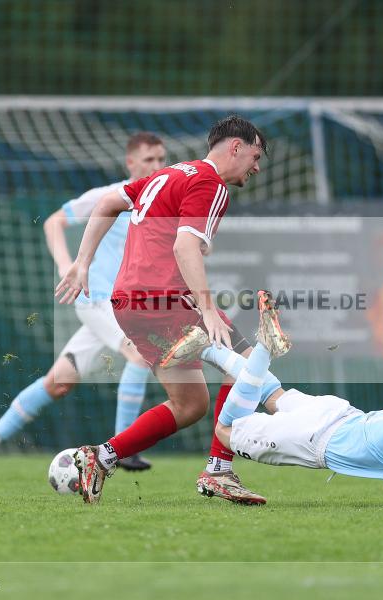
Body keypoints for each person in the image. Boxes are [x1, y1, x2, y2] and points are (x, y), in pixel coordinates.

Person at [55, 115, 273, 505]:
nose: (256, 167)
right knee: (248, 365)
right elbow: (184, 247)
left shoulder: (170, 173)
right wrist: (207, 309)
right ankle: (219, 470)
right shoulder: (210, 183)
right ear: (236, 147)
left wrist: (82, 262)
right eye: (256, 156)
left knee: (190, 405)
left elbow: (108, 203)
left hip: (129, 303)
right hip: (165, 300)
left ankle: (100, 457)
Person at [170, 291, 383, 509]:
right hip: (312, 439)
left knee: (272, 395)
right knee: (225, 431)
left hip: (336, 413)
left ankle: (209, 349)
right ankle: (262, 346)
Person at [0, 132, 167, 481]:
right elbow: (53, 221)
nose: (157, 166)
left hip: (121, 307)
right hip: (97, 299)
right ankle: (125, 447)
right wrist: (65, 266)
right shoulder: (110, 196)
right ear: (130, 163)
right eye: (149, 160)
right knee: (139, 354)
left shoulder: (163, 201)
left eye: (162, 159)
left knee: (58, 382)